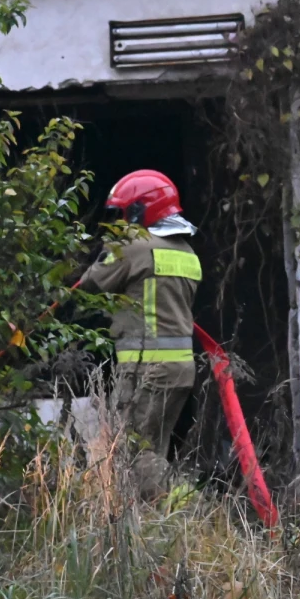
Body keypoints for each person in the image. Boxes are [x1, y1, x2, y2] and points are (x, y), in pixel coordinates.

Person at [80, 170, 201, 501]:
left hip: (149, 366)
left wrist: (103, 250)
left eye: (122, 213)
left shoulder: (132, 247)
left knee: (134, 448)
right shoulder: (186, 252)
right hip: (179, 369)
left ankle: (189, 504)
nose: (119, 221)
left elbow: (90, 284)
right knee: (151, 449)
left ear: (138, 211)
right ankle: (154, 519)